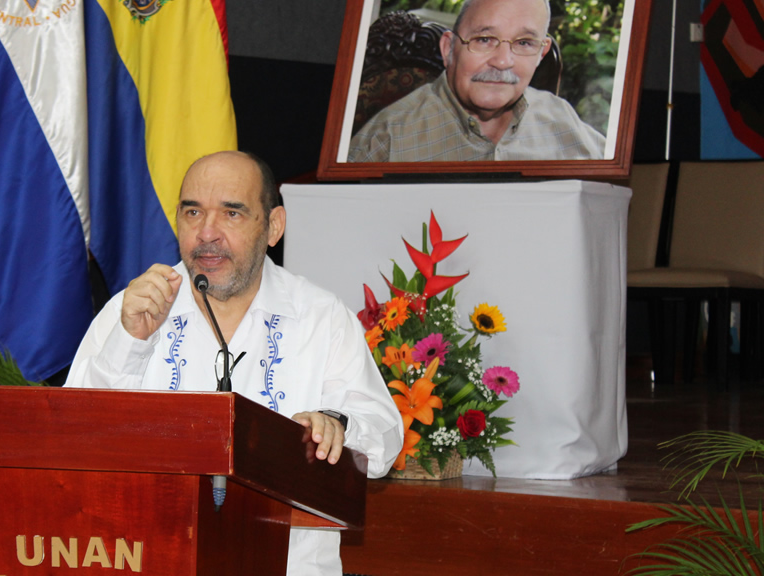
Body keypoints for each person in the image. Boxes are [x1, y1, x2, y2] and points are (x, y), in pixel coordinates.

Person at [66, 150, 403, 575]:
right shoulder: (131, 311)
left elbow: (384, 441)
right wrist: (130, 341)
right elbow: (74, 437)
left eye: (232, 213)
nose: (208, 233)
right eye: (193, 212)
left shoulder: (320, 316)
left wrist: (335, 422)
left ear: (273, 226)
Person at [348, 0, 606, 162]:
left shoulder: (565, 123)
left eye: (524, 43)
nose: (503, 61)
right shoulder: (386, 139)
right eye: (484, 39)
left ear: (542, 52)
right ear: (449, 48)